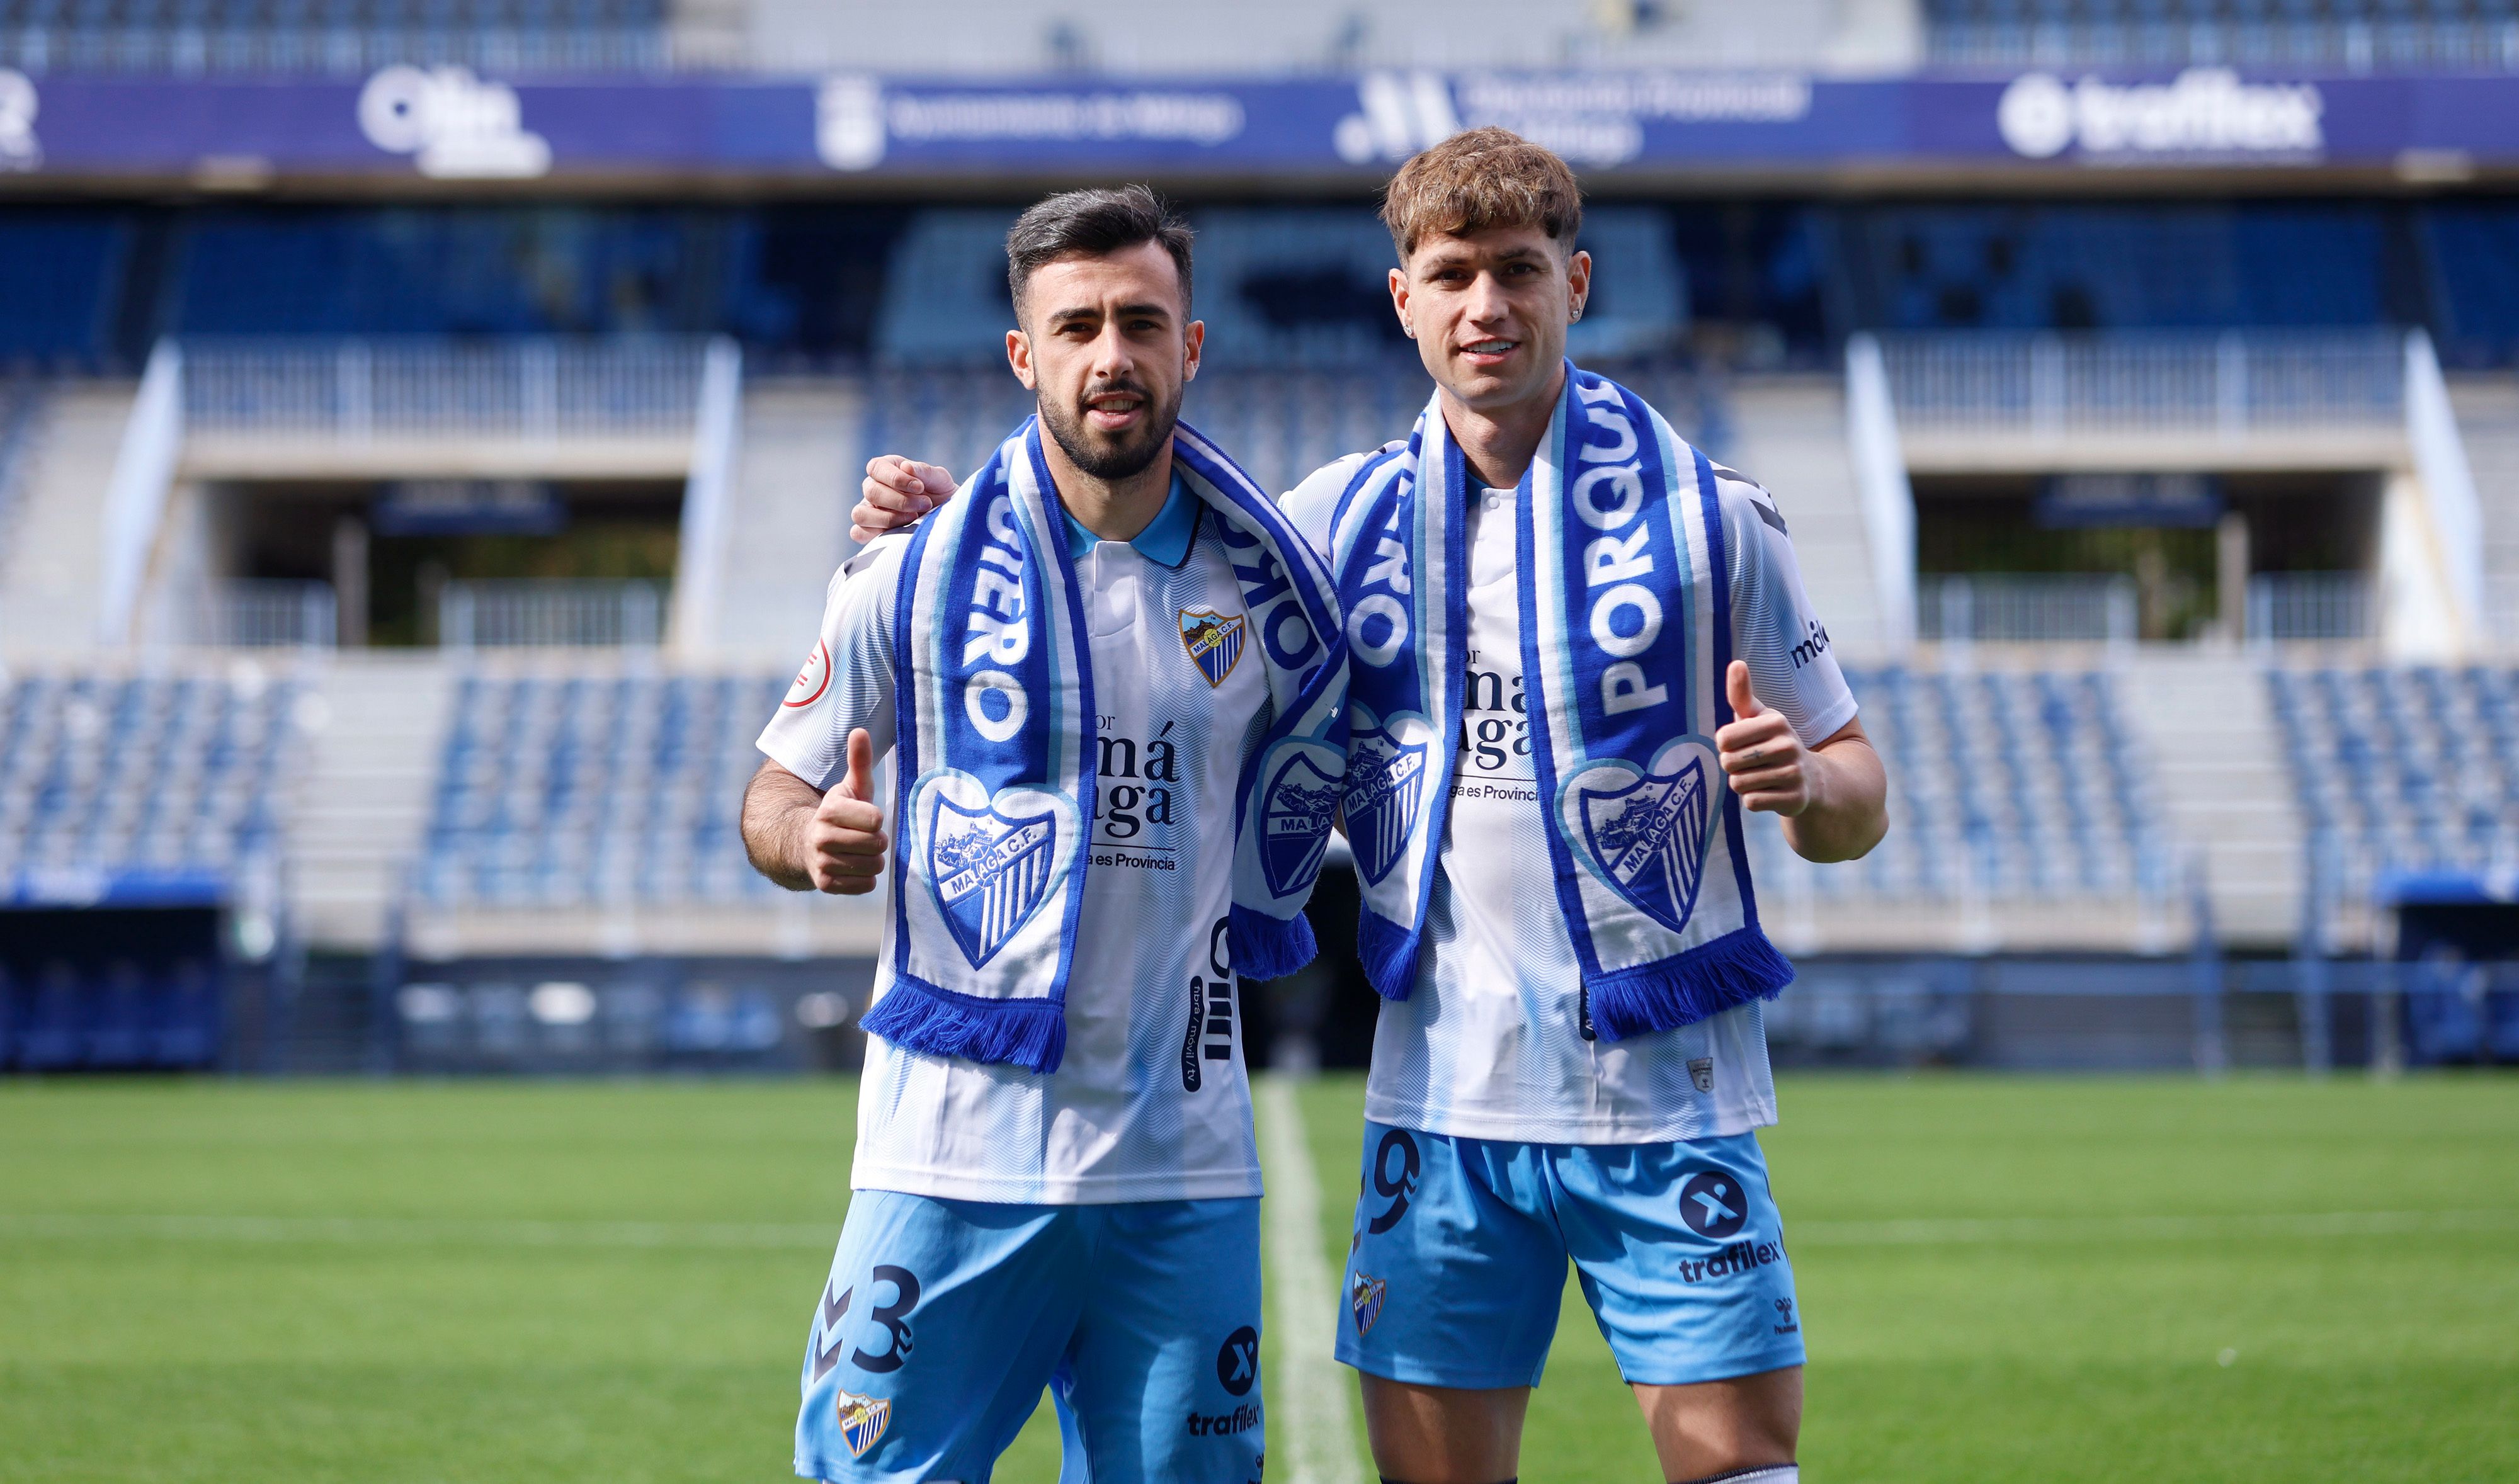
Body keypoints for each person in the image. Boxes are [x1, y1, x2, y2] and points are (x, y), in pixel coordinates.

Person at [853, 129, 1887, 1484]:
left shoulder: (1712, 523)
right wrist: (946, 527)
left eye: (1518, 271)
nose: (1486, 307)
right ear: (1401, 300)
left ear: (1575, 283)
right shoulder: (1328, 527)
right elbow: (1137, 570)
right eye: (1449, 275)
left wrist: (1807, 786)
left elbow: (1857, 784)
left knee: (1737, 1468)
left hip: (1668, 1097)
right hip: (1439, 1104)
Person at [745, 184, 1346, 1484]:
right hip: (948, 1156)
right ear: (1025, 355)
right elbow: (771, 795)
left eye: (1142, 321)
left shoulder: (1273, 595)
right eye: (1075, 326)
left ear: (1192, 345)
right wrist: (816, 843)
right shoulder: (909, 574)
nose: (1111, 355)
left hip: (1178, 1169)